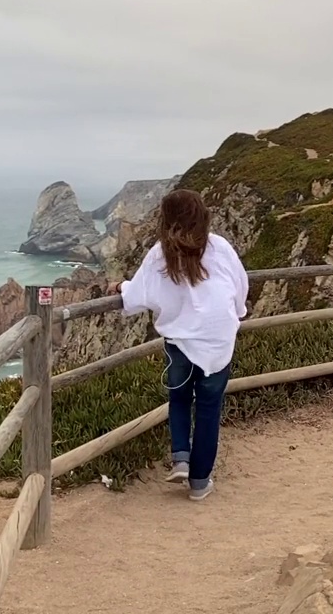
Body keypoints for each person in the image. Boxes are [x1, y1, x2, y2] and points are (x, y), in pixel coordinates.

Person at [106, 189, 248, 501]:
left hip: (181, 341)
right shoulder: (219, 247)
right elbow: (240, 286)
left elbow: (139, 294)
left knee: (180, 399)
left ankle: (181, 458)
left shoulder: (160, 253)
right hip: (217, 338)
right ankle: (199, 484)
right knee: (209, 409)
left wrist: (120, 286)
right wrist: (237, 314)